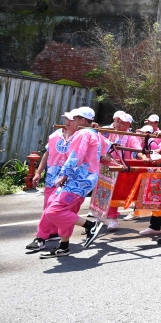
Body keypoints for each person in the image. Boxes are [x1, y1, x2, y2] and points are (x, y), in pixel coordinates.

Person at [39, 107, 116, 258]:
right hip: (85, 179)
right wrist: (118, 163)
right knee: (66, 212)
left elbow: (76, 156)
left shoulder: (83, 133)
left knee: (53, 211)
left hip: (78, 180)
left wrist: (64, 175)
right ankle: (64, 246)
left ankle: (90, 225)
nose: (70, 122)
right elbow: (105, 154)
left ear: (82, 120)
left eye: (73, 119)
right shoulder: (96, 134)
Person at [25, 110, 78, 252]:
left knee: (52, 208)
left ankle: (40, 237)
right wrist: (38, 172)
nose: (67, 122)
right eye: (66, 119)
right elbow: (47, 154)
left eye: (71, 120)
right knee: (48, 209)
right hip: (51, 178)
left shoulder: (80, 138)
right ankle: (53, 233)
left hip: (68, 180)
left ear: (79, 122)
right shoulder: (55, 135)